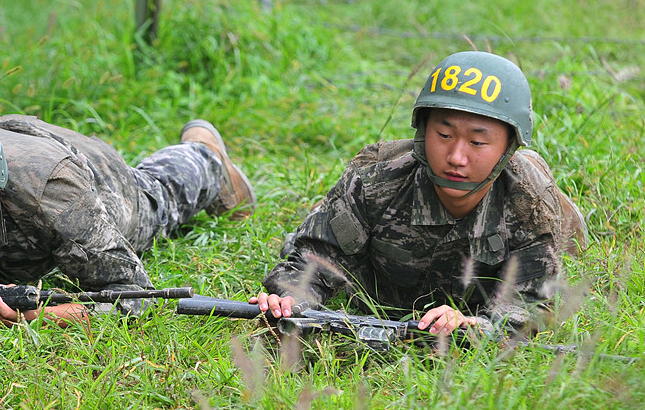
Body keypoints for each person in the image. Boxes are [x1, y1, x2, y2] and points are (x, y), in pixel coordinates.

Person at [251, 51, 588, 338]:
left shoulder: (529, 204)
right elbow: (313, 259)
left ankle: (548, 186)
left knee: (555, 226)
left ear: (508, 147)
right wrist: (291, 299)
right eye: (443, 134)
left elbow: (528, 306)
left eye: (477, 142)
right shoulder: (375, 179)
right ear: (423, 132)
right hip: (383, 286)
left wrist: (475, 325)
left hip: (526, 195)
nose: (456, 157)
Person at [0, 96, 255, 326]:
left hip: (83, 172)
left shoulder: (54, 195)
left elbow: (136, 294)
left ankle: (203, 153)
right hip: (4, 139)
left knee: (155, 197)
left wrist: (46, 316)